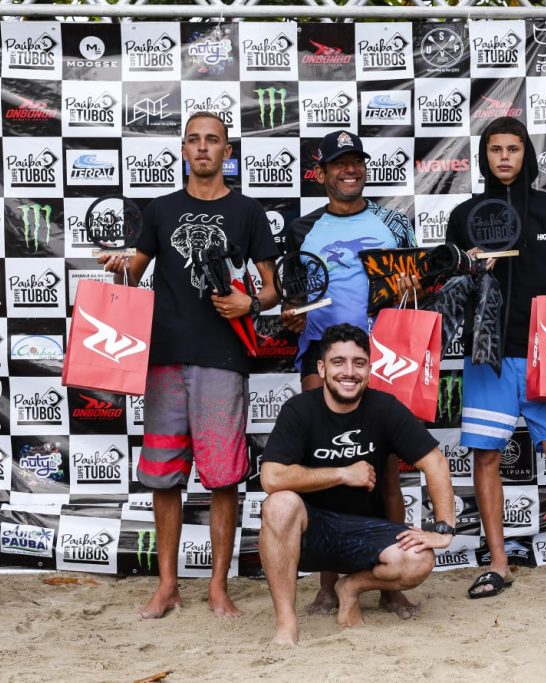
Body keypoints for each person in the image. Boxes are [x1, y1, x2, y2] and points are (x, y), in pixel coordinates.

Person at [99, 111, 280, 618]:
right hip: (162, 359)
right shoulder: (157, 210)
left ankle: (218, 586)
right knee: (163, 477)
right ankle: (167, 587)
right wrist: (117, 269)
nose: (203, 148)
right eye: (195, 140)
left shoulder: (248, 211)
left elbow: (271, 286)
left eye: (213, 141)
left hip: (224, 359)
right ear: (183, 149)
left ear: (227, 151)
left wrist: (253, 306)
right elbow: (130, 280)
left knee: (223, 478)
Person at [445, 116, 546, 602]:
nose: (504, 157)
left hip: (543, 353)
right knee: (486, 457)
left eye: (512, 148)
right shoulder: (463, 214)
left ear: (525, 153)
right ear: (484, 157)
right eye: (494, 150)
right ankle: (499, 564)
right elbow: (449, 293)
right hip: (488, 356)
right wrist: (466, 268)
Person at [281, 129, 420, 618]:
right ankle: (326, 584)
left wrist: (412, 286)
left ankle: (391, 583)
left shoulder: (394, 224)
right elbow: (292, 298)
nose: (349, 170)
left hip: (383, 355)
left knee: (387, 472)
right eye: (339, 163)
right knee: (324, 472)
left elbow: (419, 293)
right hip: (321, 358)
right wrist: (290, 315)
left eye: (356, 161)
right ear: (320, 173)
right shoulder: (300, 230)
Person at [258, 323, 456, 645]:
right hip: (313, 532)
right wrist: (342, 472)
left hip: (366, 533)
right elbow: (271, 477)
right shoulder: (299, 409)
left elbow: (434, 461)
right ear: (321, 368)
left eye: (358, 363)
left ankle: (350, 587)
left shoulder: (384, 407)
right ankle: (286, 624)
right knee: (279, 505)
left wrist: (444, 528)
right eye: (338, 362)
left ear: (369, 368)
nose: (349, 372)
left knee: (420, 560)